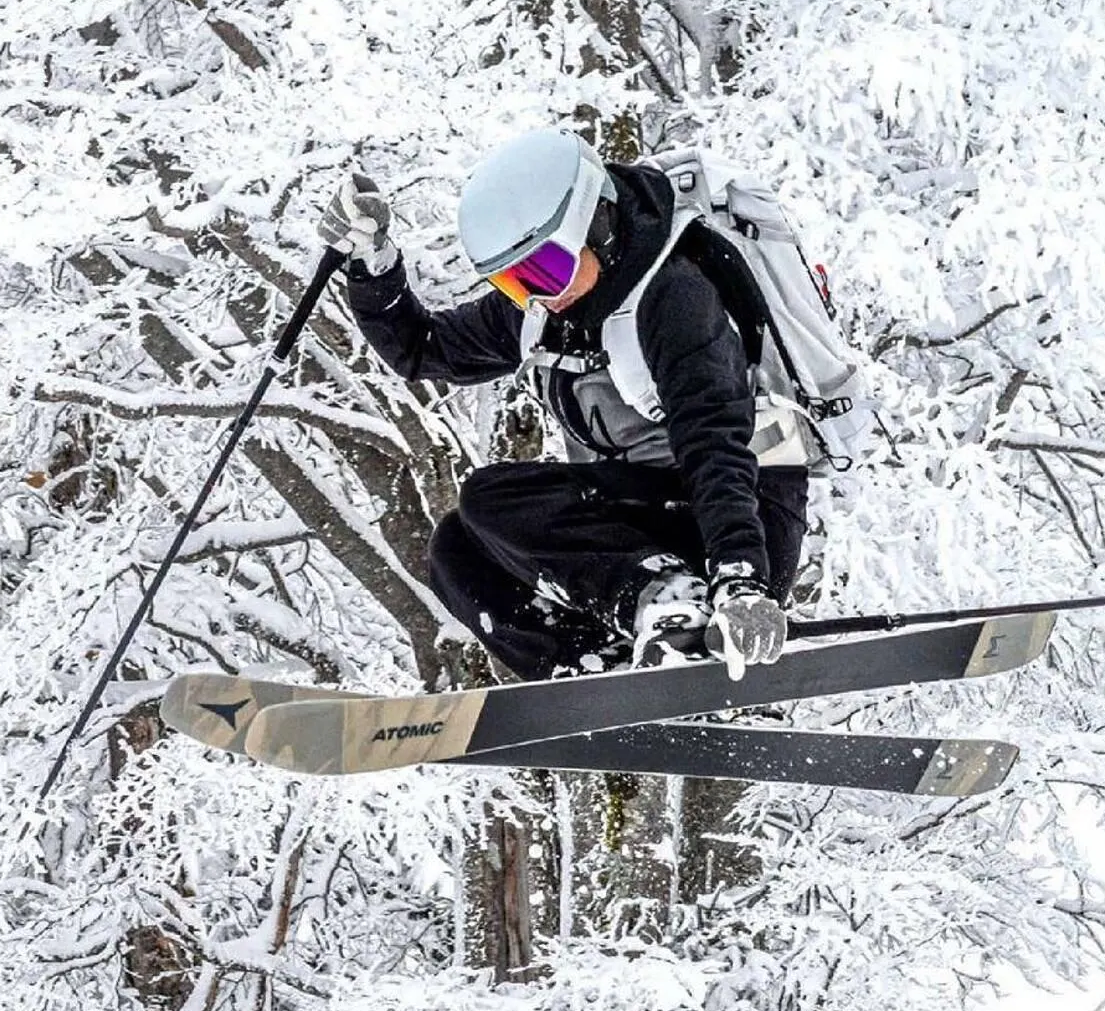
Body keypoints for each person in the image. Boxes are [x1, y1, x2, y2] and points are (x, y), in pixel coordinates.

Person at [317, 129, 808, 681]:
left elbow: (714, 445)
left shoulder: (673, 298)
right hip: (654, 529)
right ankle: (596, 668)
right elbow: (423, 350)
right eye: (512, 282)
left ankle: (673, 604)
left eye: (547, 269)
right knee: (455, 549)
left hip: (743, 518)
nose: (539, 294)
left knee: (491, 495)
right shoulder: (544, 311)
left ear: (597, 226)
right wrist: (372, 266)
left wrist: (741, 579)